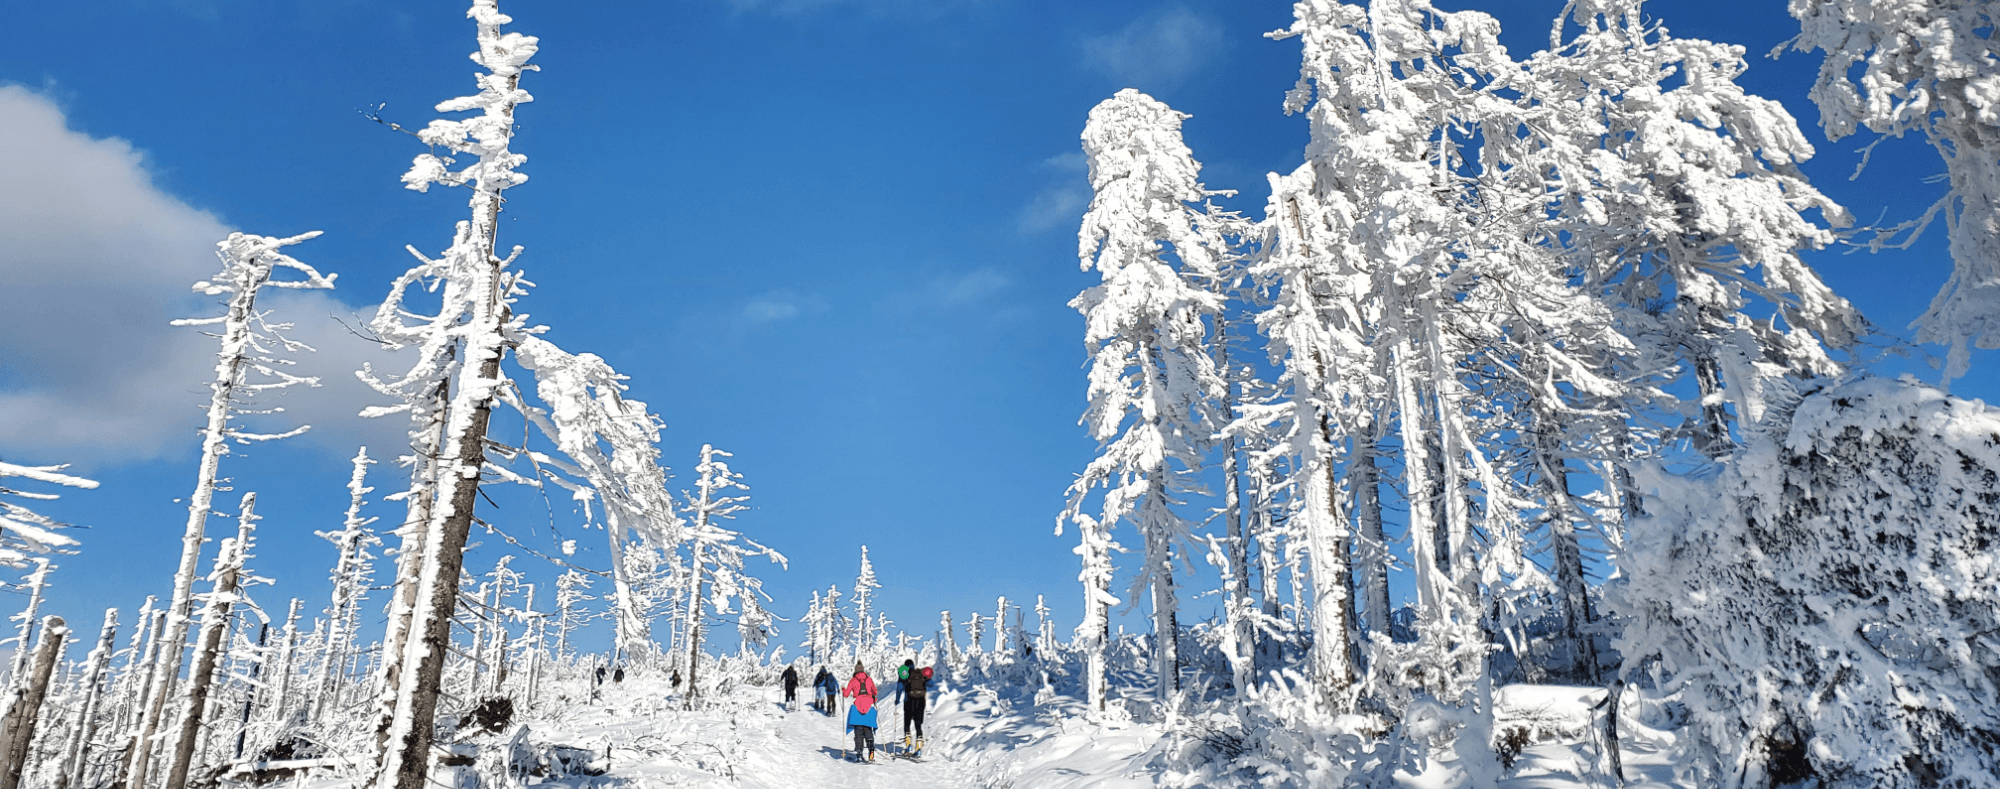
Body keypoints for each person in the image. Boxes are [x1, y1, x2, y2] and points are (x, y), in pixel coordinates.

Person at [842, 661, 879, 761]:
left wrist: (843, 690)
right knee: (868, 729)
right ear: (863, 670)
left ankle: (859, 752)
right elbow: (875, 691)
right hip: (869, 707)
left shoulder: (853, 680)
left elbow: (846, 694)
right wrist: (872, 697)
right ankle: (871, 749)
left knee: (858, 731)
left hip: (857, 706)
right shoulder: (869, 679)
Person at [893, 658, 933, 751]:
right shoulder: (920, 674)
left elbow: (899, 688)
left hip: (909, 701)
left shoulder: (905, 675)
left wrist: (897, 700)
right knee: (918, 724)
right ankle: (918, 748)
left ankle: (908, 746)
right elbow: (931, 683)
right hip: (921, 702)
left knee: (907, 724)